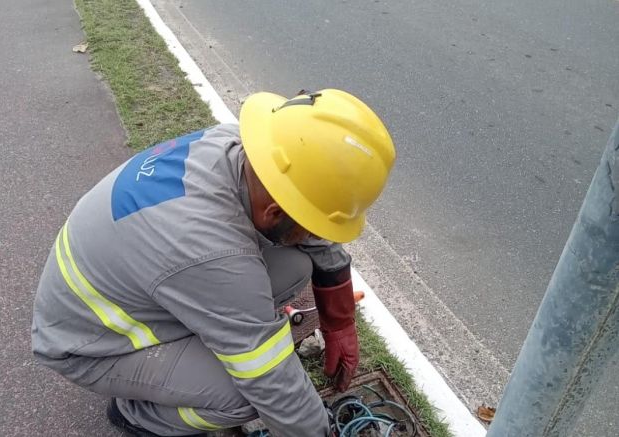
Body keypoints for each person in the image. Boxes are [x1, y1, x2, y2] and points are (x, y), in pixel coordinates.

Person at [31, 89, 396, 436]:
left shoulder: (241, 148)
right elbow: (271, 384)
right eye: (310, 222)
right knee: (245, 396)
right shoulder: (213, 253)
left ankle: (203, 338)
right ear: (274, 212)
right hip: (90, 344)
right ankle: (138, 415)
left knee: (296, 266)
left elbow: (311, 234)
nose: (317, 233)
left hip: (130, 280)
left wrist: (339, 323)